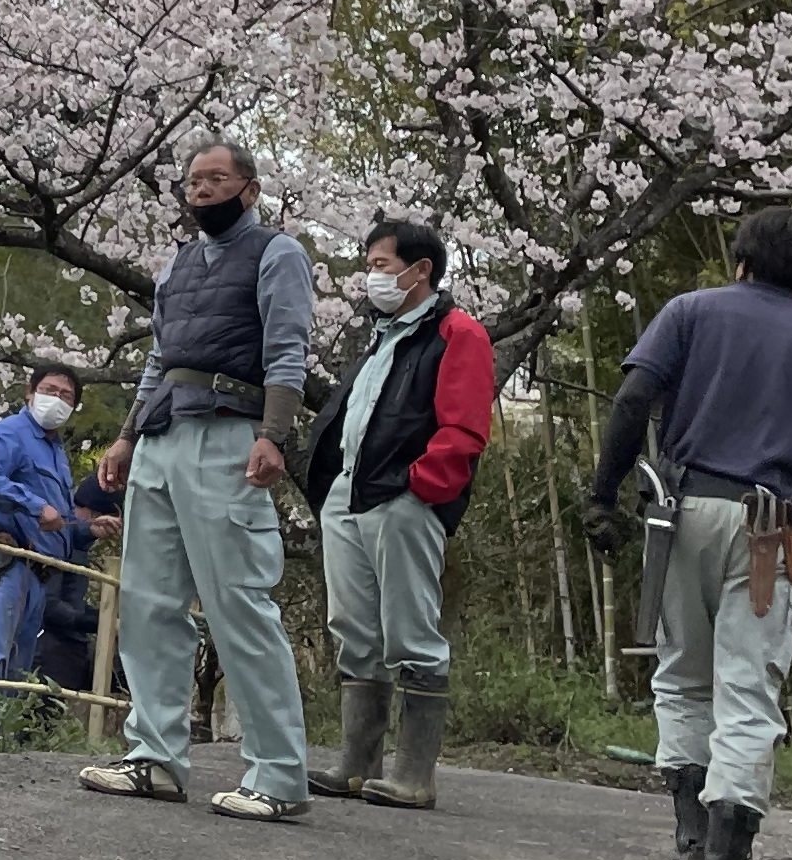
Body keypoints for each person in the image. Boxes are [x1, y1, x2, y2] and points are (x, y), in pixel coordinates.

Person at [582, 206, 792, 860]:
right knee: (749, 695)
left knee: (681, 677)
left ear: (740, 262)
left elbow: (631, 402)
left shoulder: (689, 312)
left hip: (685, 512)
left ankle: (687, 847)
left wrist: (601, 496)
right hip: (776, 531)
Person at [79, 139, 316, 819]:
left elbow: (288, 345)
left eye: (217, 178)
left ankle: (277, 773)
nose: (203, 189)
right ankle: (154, 756)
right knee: (150, 603)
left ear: (250, 187)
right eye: (193, 181)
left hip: (229, 431)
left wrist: (274, 433)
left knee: (238, 600)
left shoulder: (278, 253)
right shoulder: (178, 264)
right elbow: (159, 358)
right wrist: (126, 435)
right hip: (161, 433)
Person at [294, 220, 494, 808]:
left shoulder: (459, 333)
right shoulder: (383, 337)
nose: (371, 275)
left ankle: (415, 775)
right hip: (350, 494)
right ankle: (357, 764)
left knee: (411, 630)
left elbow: (462, 428)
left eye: (381, 264)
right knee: (353, 627)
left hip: (403, 498)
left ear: (421, 269)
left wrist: (418, 487)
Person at [0, 360, 115, 703]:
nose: (57, 400)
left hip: (38, 575)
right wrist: (33, 504)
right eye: (50, 391)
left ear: (73, 407)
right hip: (3, 561)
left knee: (17, 674)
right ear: (31, 391)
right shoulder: (8, 432)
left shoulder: (56, 451)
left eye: (66, 396)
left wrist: (89, 530)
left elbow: (61, 523)